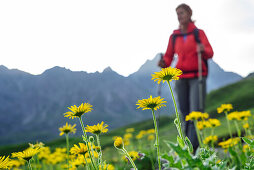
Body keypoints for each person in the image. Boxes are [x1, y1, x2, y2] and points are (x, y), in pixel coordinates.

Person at [158, 3, 213, 151]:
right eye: (177, 13)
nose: (179, 16)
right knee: (184, 113)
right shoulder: (174, 36)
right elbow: (169, 57)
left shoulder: (198, 33)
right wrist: (164, 63)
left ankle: (194, 148)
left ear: (189, 14)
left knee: (195, 112)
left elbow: (209, 52)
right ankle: (187, 146)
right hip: (180, 77)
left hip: (197, 76)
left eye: (182, 13)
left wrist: (203, 48)